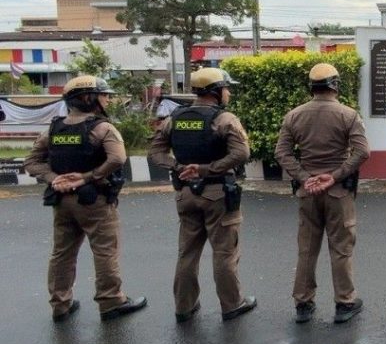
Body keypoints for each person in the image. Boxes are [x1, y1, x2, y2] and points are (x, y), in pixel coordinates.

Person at [24, 75, 147, 322]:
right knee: (105, 251)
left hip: (62, 202)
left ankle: (60, 304)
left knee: (62, 254)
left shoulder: (53, 129)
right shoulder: (103, 128)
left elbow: (32, 162)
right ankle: (111, 301)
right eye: (104, 95)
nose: (108, 99)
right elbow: (117, 158)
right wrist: (87, 177)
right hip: (95, 201)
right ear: (88, 98)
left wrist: (54, 179)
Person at [149, 67, 256, 322]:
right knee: (224, 252)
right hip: (218, 193)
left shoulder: (174, 118)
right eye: (226, 88)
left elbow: (156, 152)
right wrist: (208, 169)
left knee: (187, 253)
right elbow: (242, 153)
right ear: (216, 91)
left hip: (185, 193)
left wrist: (179, 167)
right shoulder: (224, 119)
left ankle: (184, 307)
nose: (228, 93)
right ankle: (232, 304)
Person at [275, 63, 370, 324]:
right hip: (338, 192)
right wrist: (335, 175)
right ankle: (345, 302)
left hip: (308, 192)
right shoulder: (348, 115)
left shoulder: (294, 116)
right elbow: (363, 152)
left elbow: (282, 153)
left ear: (312, 87)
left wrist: (305, 178)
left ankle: (303, 304)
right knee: (341, 248)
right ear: (335, 85)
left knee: (307, 249)